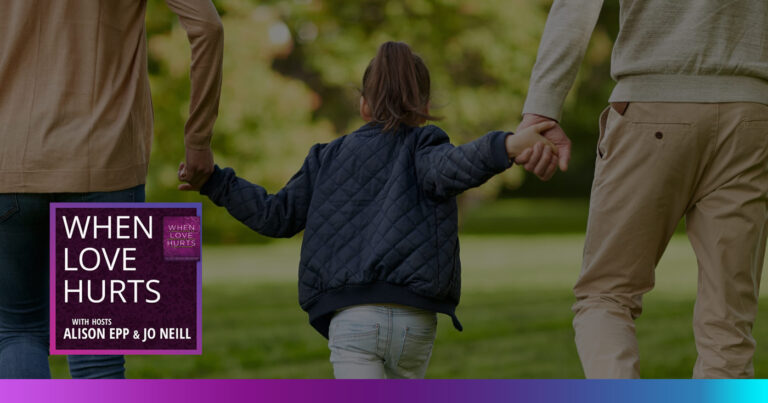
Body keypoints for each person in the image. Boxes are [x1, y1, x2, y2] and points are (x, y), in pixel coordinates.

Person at [180, 41, 556, 379]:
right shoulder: (426, 145)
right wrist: (507, 145)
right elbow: (456, 165)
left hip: (353, 319)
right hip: (414, 319)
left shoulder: (326, 158)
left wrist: (216, 182)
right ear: (425, 107)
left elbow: (275, 215)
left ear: (363, 105)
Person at [517, 0, 768, 378]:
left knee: (606, 296)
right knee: (729, 322)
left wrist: (542, 106)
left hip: (652, 100)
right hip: (751, 112)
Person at [0, 0, 223, 378]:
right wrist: (198, 138)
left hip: (10, 162)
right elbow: (208, 26)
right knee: (97, 351)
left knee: (17, 331)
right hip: (105, 163)